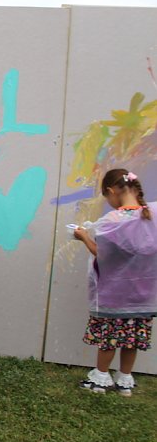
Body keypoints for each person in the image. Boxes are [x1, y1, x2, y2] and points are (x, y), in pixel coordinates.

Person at [72, 169, 157, 396]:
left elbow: (101, 253)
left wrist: (83, 236)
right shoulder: (153, 214)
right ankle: (125, 381)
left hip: (115, 294)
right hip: (143, 295)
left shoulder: (113, 220)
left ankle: (101, 379)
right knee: (131, 339)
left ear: (111, 191)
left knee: (109, 339)